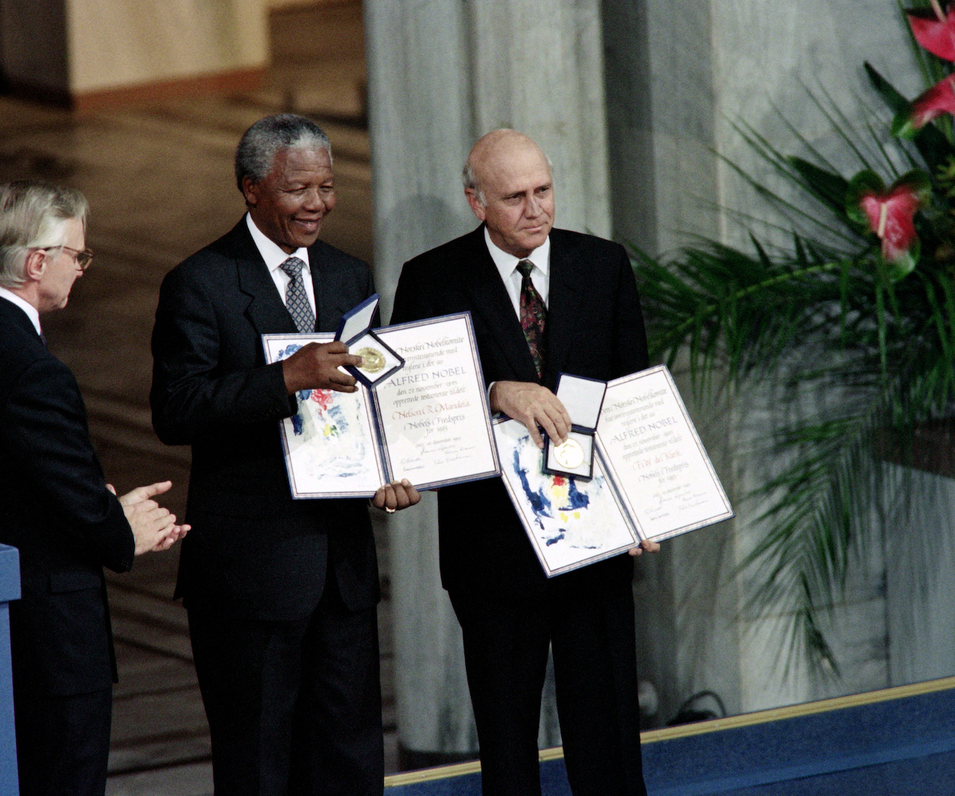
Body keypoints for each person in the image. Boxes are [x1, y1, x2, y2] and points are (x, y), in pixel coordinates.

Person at [150, 113, 419, 795]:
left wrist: (391, 466)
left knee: (350, 759)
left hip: (342, 573)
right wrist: (283, 379)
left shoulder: (347, 273)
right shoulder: (202, 283)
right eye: (300, 190)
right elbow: (174, 409)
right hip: (250, 578)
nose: (318, 205)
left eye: (327, 188)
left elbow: (372, 396)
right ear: (252, 189)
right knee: (259, 765)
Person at [390, 129, 658, 796]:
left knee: (608, 739)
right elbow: (409, 403)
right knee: (507, 747)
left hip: (593, 543)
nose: (535, 209)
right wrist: (492, 392)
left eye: (543, 190)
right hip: (492, 552)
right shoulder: (430, 278)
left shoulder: (602, 265)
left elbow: (633, 394)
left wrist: (643, 504)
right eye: (514, 197)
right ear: (475, 200)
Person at [0, 180, 189, 796]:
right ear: (38, 262)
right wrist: (122, 525)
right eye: (78, 256)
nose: (83, 270)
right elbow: (75, 505)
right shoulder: (33, 369)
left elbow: (4, 481)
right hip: (48, 644)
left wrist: (96, 504)